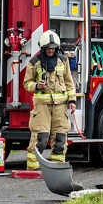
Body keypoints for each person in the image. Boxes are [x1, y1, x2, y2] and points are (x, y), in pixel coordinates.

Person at [23, 30, 77, 170]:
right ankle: (33, 166)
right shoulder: (34, 63)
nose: (50, 51)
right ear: (43, 48)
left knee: (60, 137)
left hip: (60, 106)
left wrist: (72, 101)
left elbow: (69, 82)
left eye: (53, 48)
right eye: (48, 48)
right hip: (42, 106)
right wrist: (36, 85)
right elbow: (26, 83)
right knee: (41, 136)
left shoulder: (63, 61)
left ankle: (57, 165)